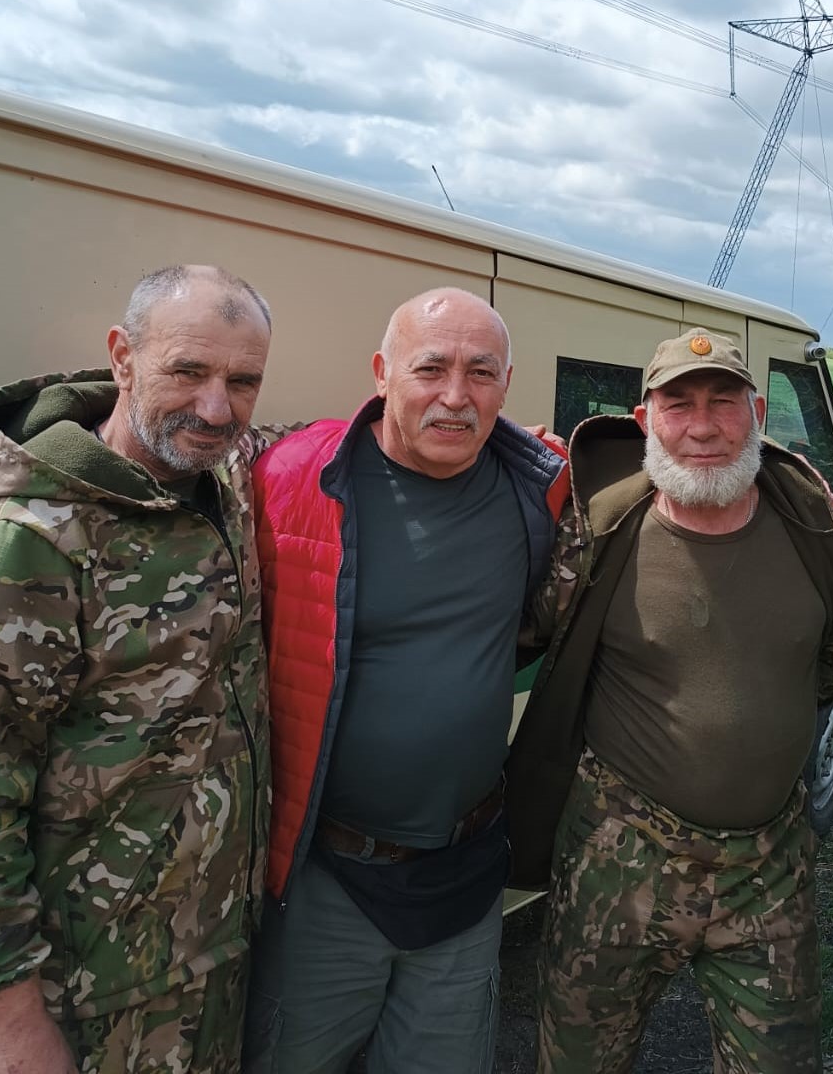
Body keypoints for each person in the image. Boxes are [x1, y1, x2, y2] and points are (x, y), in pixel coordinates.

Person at [505, 327, 833, 1074]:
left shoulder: (817, 530)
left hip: (770, 867)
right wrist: (511, 482)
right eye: (678, 405)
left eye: (723, 403)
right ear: (645, 419)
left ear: (757, 413)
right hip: (618, 859)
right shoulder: (598, 529)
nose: (703, 427)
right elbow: (520, 627)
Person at [242, 286, 569, 1074]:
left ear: (506, 385)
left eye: (481, 372)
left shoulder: (542, 490)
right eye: (430, 368)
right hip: (327, 878)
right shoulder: (294, 477)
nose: (456, 395)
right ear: (382, 372)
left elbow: (684, 472)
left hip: (464, 880)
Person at [0, 264, 274, 1074]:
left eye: (242, 381)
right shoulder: (31, 532)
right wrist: (6, 1021)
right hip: (85, 993)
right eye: (188, 370)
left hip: (208, 953)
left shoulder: (224, 480)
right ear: (122, 357)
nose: (216, 407)